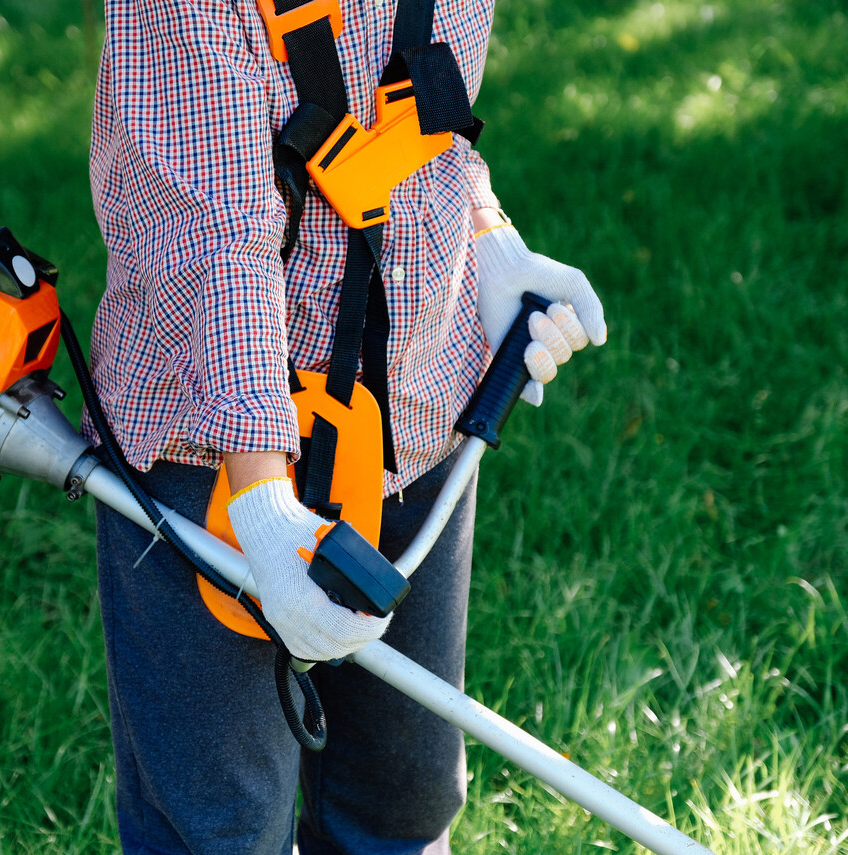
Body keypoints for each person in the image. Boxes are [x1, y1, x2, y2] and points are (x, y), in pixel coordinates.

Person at [84, 2, 607, 853]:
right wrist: (262, 501)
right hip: (207, 444)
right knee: (220, 827)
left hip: (414, 409)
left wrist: (491, 244)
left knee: (402, 806)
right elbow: (214, 227)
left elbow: (422, 119)